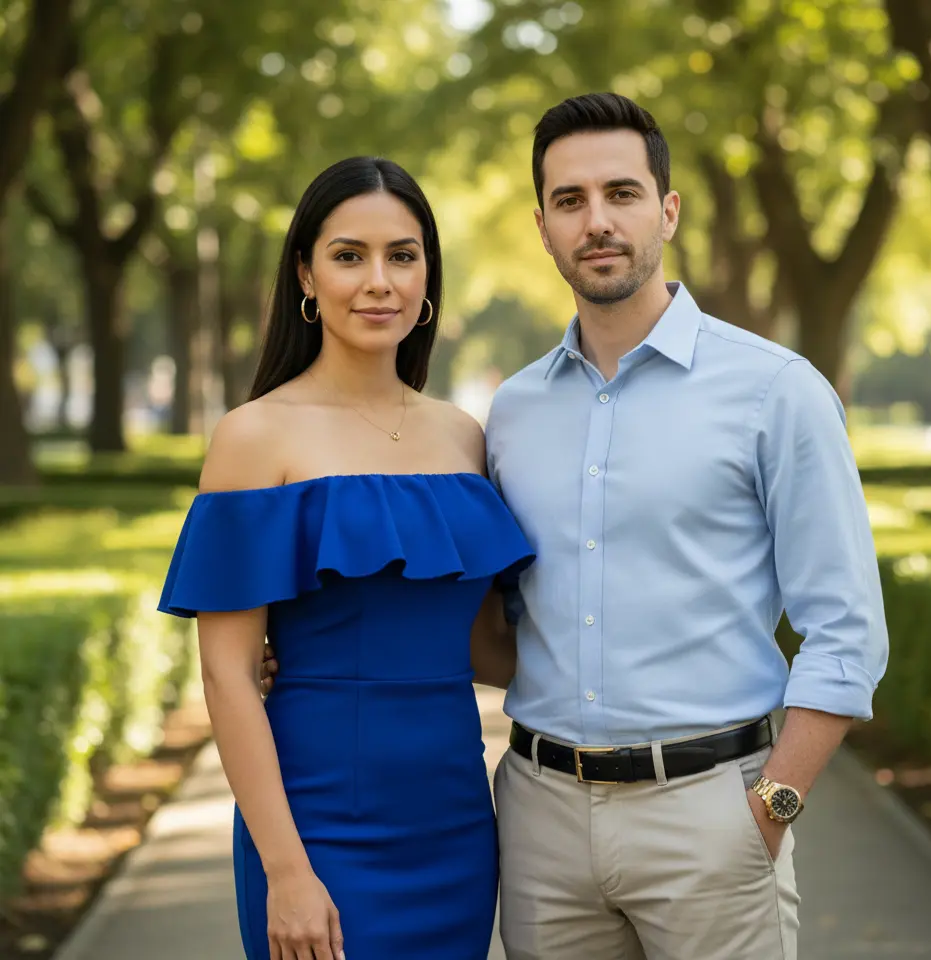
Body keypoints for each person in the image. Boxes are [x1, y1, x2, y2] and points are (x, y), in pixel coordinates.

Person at [263, 93, 889, 959]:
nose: (597, 221)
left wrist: (771, 809)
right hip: (539, 820)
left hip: (711, 814)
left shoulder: (775, 392)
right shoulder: (511, 413)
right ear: (544, 227)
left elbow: (847, 631)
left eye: (622, 193)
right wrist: (302, 648)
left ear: (667, 211)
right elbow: (488, 617)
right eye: (570, 200)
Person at [158, 156, 535, 960]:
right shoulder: (254, 437)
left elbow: (484, 645)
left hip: (456, 827)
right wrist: (286, 871)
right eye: (348, 255)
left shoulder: (464, 436)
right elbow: (227, 676)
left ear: (428, 276)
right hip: (315, 829)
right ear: (306, 273)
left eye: (402, 255)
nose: (379, 281)